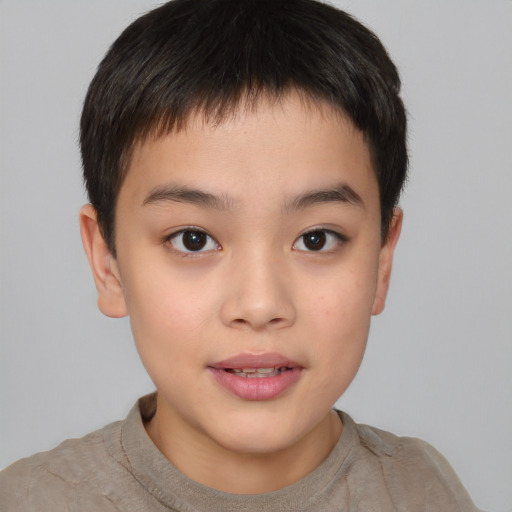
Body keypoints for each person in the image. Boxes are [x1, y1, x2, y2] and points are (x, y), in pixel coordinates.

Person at [0, 0, 484, 510]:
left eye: (316, 239)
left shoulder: (420, 490)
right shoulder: (32, 499)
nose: (258, 305)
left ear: (382, 262)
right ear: (107, 263)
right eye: (192, 239)